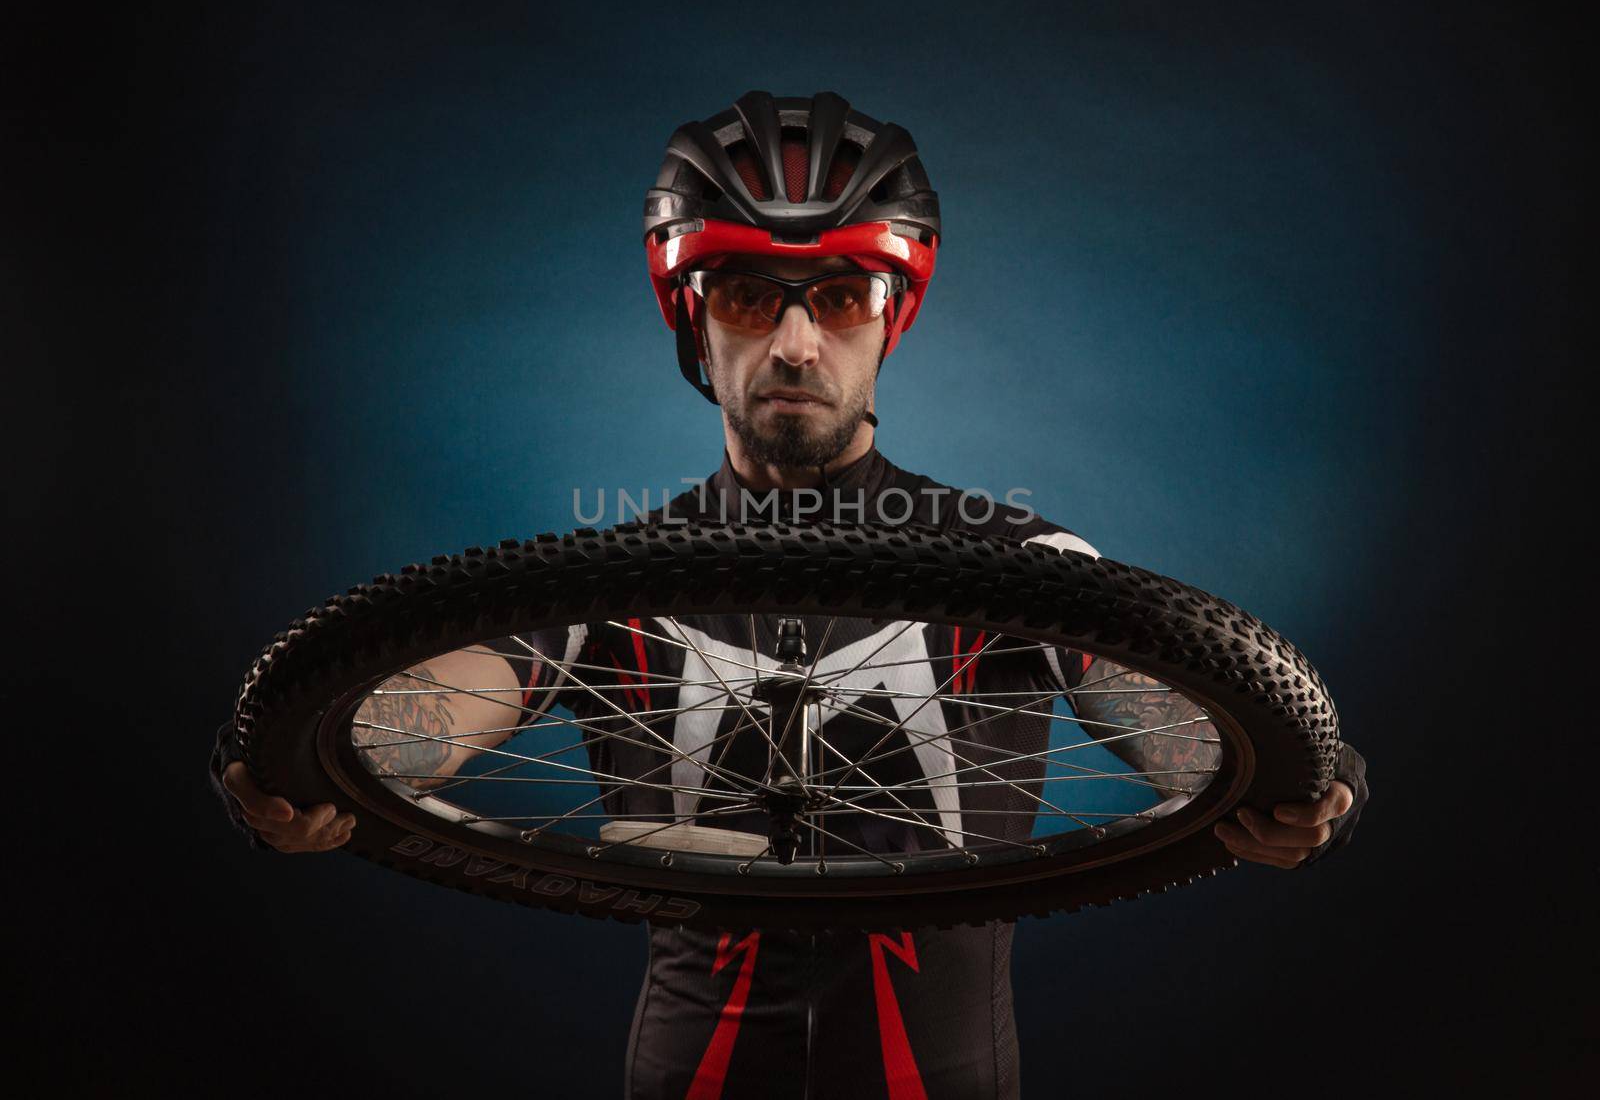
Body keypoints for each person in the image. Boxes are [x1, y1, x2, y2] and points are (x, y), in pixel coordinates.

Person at [211, 91, 1370, 1100]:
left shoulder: (1032, 570)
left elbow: (1201, 731)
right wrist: (324, 765)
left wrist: (1292, 788)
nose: (800, 343)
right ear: (691, 318)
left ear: (894, 315)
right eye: (752, 299)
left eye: (842, 297)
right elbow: (422, 710)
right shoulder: (595, 584)